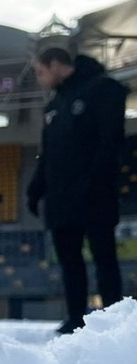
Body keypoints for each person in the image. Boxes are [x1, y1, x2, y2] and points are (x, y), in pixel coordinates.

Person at [26, 47, 130, 334]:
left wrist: (95, 180)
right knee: (70, 261)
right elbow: (47, 155)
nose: (40, 78)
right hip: (61, 199)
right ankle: (75, 318)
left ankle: (113, 320)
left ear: (56, 65)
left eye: (41, 72)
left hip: (95, 194)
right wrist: (35, 190)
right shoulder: (54, 105)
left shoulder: (103, 88)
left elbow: (111, 141)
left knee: (103, 257)